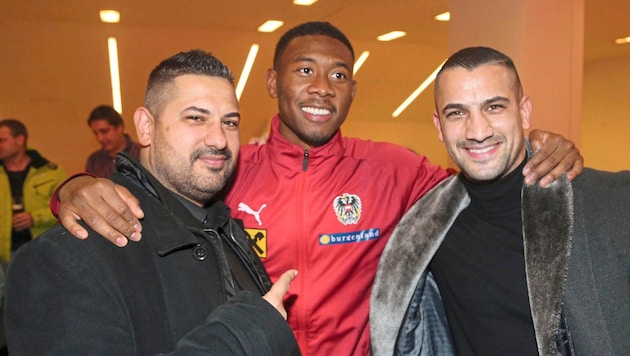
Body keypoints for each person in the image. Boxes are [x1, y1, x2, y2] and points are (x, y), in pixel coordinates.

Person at [51, 23, 584, 355]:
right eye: (304, 69)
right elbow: (154, 192)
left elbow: (483, 179)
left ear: (352, 88)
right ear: (272, 82)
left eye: (338, 75)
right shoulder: (228, 168)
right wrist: (73, 189)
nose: (320, 88)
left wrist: (539, 147)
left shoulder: (392, 168)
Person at [4, 49, 299, 355]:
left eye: (230, 123)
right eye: (196, 117)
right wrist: (246, 333)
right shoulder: (64, 257)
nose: (219, 139)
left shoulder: (228, 229)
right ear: (145, 126)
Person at [370, 46, 630, 356]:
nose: (477, 131)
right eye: (457, 112)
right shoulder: (426, 229)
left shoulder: (610, 206)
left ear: (523, 112)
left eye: (494, 107)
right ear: (439, 126)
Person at [0, 118, 67, 265]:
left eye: (2, 140)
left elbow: (66, 207)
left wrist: (34, 218)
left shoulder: (51, 172)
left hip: (42, 251)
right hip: (4, 257)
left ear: (20, 140)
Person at [85, 104, 141, 177]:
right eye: (95, 133)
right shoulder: (94, 160)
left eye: (104, 131)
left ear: (120, 128)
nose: (99, 138)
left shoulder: (140, 153)